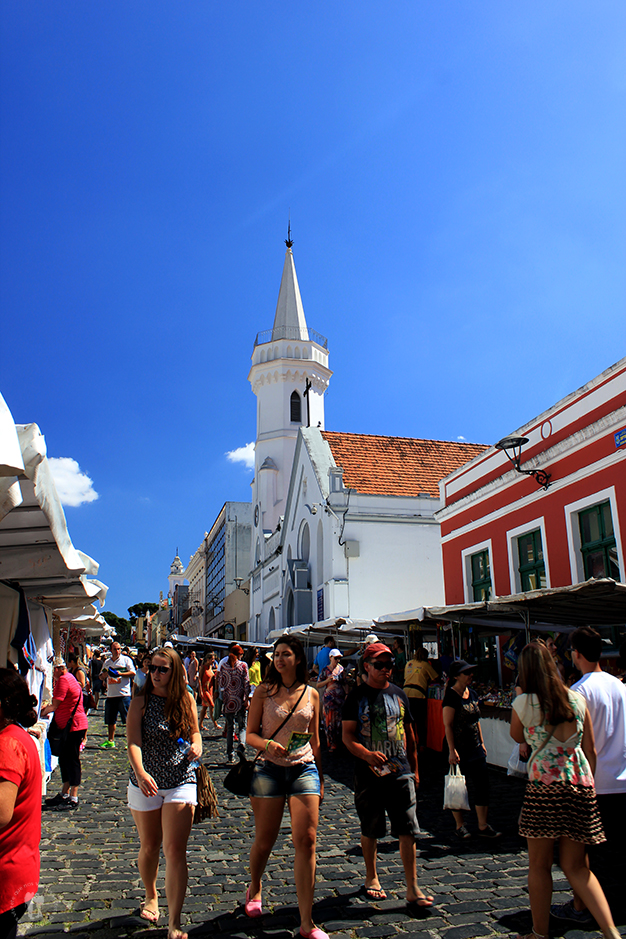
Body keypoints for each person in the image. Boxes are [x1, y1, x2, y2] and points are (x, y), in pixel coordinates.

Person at [510, 640, 620, 939]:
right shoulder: (577, 700)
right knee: (578, 868)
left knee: (539, 865)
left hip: (544, 788)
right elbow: (591, 750)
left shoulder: (523, 703)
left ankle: (540, 932)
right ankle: (611, 933)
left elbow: (517, 735)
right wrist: (590, 786)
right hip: (579, 784)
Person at [245, 637, 327, 939]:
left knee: (306, 841)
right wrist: (268, 744)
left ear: (298, 659)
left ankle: (307, 922)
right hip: (268, 770)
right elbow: (249, 735)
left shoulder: (312, 694)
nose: (279, 660)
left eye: (285, 654)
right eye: (276, 655)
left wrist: (320, 777)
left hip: (303, 769)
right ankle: (255, 887)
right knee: (265, 841)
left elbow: (315, 740)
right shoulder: (263, 692)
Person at [342, 642, 432, 909]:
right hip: (368, 773)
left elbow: (411, 734)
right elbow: (347, 736)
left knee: (408, 829)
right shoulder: (356, 697)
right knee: (371, 828)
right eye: (379, 665)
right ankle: (372, 877)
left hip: (400, 770)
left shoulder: (400, 694)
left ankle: (412, 886)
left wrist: (414, 769)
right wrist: (366, 755)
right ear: (366, 666)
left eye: (389, 664)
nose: (386, 669)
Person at [551, 627, 626, 926]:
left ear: (576, 654)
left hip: (598, 781)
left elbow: (578, 745)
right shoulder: (620, 686)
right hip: (622, 779)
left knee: (593, 857)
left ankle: (592, 909)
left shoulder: (579, 692)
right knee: (620, 851)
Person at [127, 647, 201, 939]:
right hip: (146, 782)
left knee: (175, 850)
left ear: (175, 672)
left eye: (162, 669)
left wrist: (198, 745)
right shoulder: (140, 701)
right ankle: (150, 894)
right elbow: (133, 742)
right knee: (150, 845)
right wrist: (141, 772)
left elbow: (195, 731)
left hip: (181, 778)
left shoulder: (186, 698)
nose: (155, 674)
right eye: (151, 668)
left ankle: (175, 921)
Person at [0, 668, 42, 939]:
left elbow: (2, 813)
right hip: (19, 867)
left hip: (6, 871)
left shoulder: (8, 744)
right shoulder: (19, 736)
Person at [442, 660, 500, 840]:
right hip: (459, 748)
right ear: (457, 676)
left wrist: (482, 742)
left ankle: (482, 824)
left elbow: (476, 721)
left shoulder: (472, 694)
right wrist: (452, 750)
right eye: (466, 673)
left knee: (482, 785)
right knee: (459, 786)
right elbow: (448, 725)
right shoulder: (451, 697)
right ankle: (460, 825)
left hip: (474, 747)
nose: (470, 676)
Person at [41, 656, 88, 810]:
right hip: (73, 724)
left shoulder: (64, 680)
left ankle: (73, 796)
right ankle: (65, 793)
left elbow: (55, 704)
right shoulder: (71, 678)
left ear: (58, 669)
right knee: (65, 759)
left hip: (72, 726)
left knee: (71, 759)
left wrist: (42, 711)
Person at [100, 641, 136, 749]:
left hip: (123, 694)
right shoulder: (107, 662)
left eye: (119, 649)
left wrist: (120, 674)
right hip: (111, 694)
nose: (117, 651)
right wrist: (105, 674)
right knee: (110, 719)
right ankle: (110, 740)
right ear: (111, 650)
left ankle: (131, 741)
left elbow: (133, 673)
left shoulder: (126, 660)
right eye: (115, 649)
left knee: (127, 720)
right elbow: (101, 676)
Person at [218, 644, 250, 762]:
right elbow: (246, 683)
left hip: (228, 701)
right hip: (240, 700)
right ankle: (241, 745)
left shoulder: (224, 666)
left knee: (230, 727)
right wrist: (246, 699)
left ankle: (230, 754)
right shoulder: (243, 665)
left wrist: (224, 698)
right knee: (242, 726)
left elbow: (221, 683)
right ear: (239, 654)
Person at [403, 648, 438, 750]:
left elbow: (406, 677)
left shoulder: (408, 663)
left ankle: (411, 743)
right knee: (420, 722)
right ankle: (422, 744)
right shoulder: (425, 664)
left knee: (409, 722)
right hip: (418, 694)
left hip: (405, 694)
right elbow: (435, 677)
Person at [316, 649, 348, 751]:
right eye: (336, 658)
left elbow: (345, 683)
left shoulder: (341, 669)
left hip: (340, 699)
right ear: (330, 658)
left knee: (339, 722)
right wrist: (327, 680)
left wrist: (347, 693)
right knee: (329, 722)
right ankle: (331, 743)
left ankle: (340, 742)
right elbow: (318, 684)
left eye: (339, 658)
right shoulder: (325, 670)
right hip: (329, 700)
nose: (338, 660)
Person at [198, 653, 220, 732]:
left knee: (204, 708)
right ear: (208, 659)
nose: (213, 661)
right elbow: (199, 679)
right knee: (211, 705)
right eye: (212, 659)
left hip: (210, 689)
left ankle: (200, 724)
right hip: (204, 689)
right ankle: (215, 724)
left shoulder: (210, 667)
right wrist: (200, 690)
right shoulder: (202, 668)